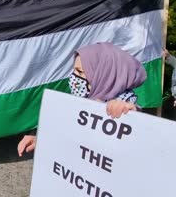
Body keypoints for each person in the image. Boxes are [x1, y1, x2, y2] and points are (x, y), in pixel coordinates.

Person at [18, 42, 147, 157]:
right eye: (74, 71)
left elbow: (139, 145)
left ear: (103, 75)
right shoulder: (80, 102)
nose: (74, 79)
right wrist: (40, 139)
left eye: (80, 72)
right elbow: (67, 135)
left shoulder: (124, 105)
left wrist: (129, 114)